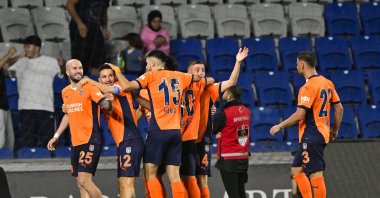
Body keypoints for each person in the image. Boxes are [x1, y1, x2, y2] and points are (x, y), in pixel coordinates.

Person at [108, 50, 205, 198]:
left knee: (150, 174)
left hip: (158, 131)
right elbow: (198, 78)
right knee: (174, 176)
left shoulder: (151, 76)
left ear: (153, 63)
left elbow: (126, 86)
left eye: (147, 64)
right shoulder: (180, 76)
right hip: (175, 132)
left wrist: (117, 71)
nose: (146, 67)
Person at [270, 51, 343, 198]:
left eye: (297, 64)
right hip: (319, 133)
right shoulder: (327, 83)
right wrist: (335, 129)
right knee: (296, 170)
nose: (297, 67)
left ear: (302, 65)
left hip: (312, 134)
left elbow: (300, 115)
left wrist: (280, 126)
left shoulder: (308, 87)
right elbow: (339, 108)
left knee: (315, 174)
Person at [76, 64, 149, 198]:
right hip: (124, 142)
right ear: (100, 79)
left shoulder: (119, 87)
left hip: (130, 140)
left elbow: (111, 89)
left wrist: (88, 80)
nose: (108, 79)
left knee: (126, 183)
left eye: (110, 75)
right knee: (122, 183)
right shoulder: (102, 96)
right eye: (104, 77)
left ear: (115, 77)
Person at [47, 59, 112, 198]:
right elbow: (68, 115)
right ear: (67, 72)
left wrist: (108, 101)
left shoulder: (89, 87)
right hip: (76, 142)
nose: (78, 71)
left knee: (84, 180)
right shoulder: (65, 92)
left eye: (80, 68)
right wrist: (56, 136)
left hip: (90, 139)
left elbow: (105, 105)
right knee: (80, 184)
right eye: (75, 68)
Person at [195, 47, 249, 198]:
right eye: (197, 70)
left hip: (206, 144)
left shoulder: (211, 91)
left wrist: (238, 62)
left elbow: (232, 81)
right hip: (186, 141)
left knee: (201, 179)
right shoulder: (180, 88)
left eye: (203, 70)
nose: (201, 72)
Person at [3, 36, 60, 151]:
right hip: (25, 108)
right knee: (28, 144)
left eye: (28, 46)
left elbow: (61, 72)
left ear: (37, 48)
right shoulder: (21, 62)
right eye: (24, 47)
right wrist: (19, 56)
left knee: (48, 144)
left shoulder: (50, 61)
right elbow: (5, 66)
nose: (26, 49)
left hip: (45, 107)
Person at [213, 86, 251, 198]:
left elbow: (211, 128)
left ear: (229, 95)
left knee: (233, 195)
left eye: (225, 92)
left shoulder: (224, 113)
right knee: (241, 193)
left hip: (228, 159)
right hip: (243, 158)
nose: (223, 93)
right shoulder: (246, 111)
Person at [66, 0, 110, 74]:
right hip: (80, 27)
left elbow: (103, 11)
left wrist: (105, 28)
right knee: (79, 59)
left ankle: (94, 81)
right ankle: (77, 83)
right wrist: (79, 24)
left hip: (95, 28)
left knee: (98, 59)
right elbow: (69, 5)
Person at [0, 47, 16, 150]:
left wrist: (23, 54)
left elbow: (8, 62)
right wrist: (9, 53)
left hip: (4, 105)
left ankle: (7, 154)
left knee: (9, 135)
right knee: (1, 132)